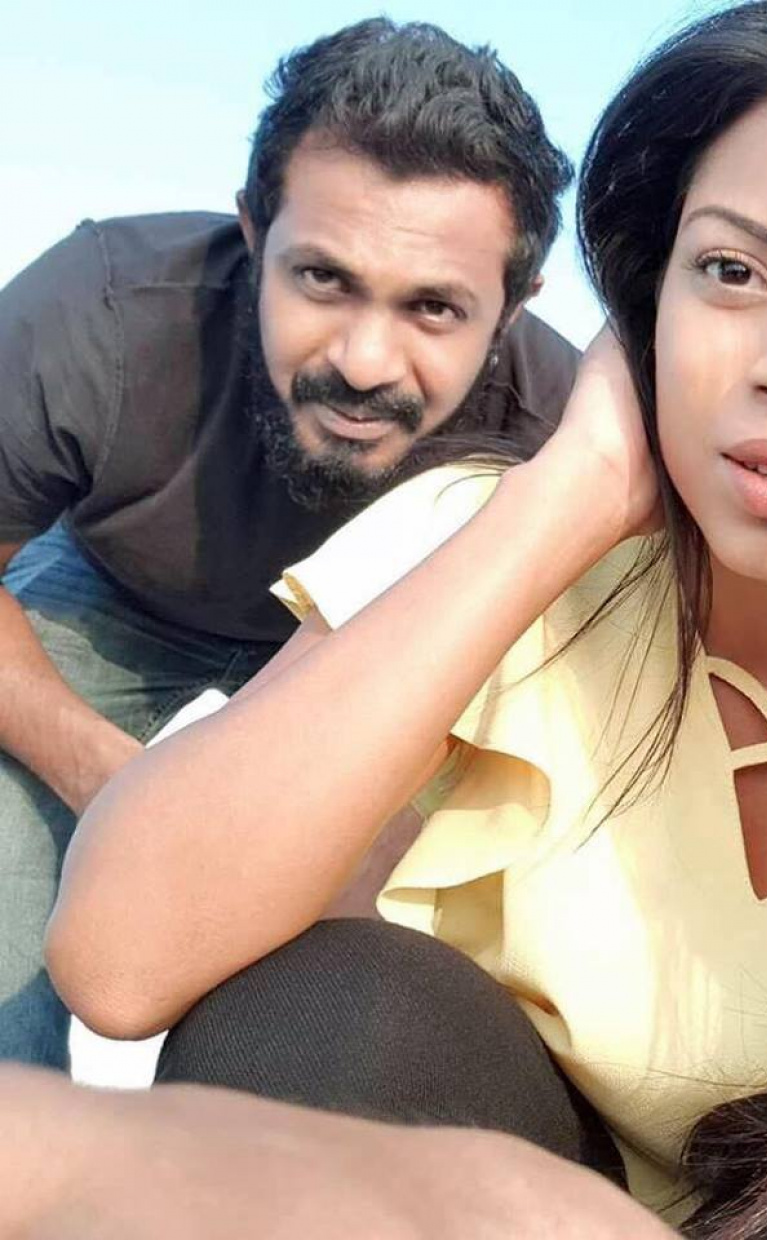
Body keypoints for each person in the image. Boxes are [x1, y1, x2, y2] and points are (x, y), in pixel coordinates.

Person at [24, 0, 767, 1236]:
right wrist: (573, 491)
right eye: (732, 272)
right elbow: (122, 960)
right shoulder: (495, 545)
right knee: (327, 1011)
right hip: (513, 1199)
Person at [0, 17, 576, 1069]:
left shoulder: (554, 433)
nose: (364, 362)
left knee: (361, 962)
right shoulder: (97, 309)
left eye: (434, 309)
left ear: (511, 310)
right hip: (120, 592)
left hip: (383, 640)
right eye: (323, 279)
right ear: (252, 232)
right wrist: (107, 777)